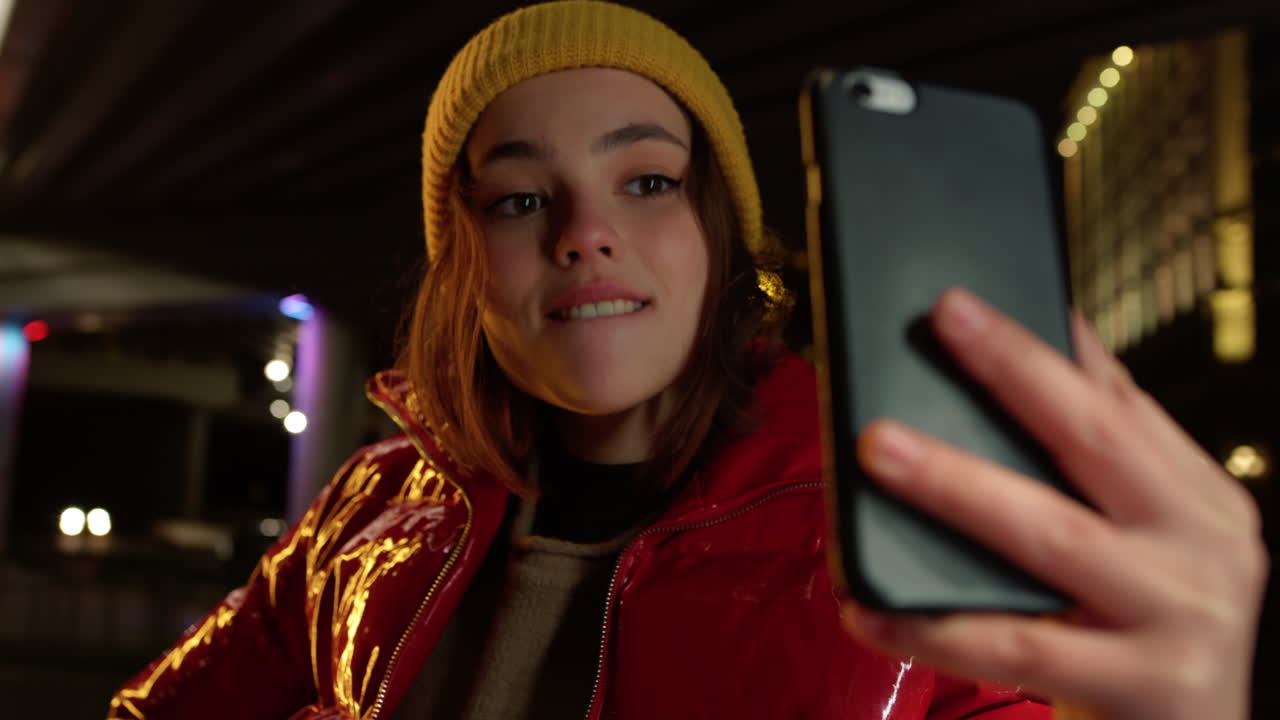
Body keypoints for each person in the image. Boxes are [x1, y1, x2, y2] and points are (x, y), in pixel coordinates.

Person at [107, 2, 1267, 719]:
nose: (584, 231)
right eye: (518, 198)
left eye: (648, 179)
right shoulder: (364, 508)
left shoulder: (902, 525)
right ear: (465, 265)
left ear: (721, 238)